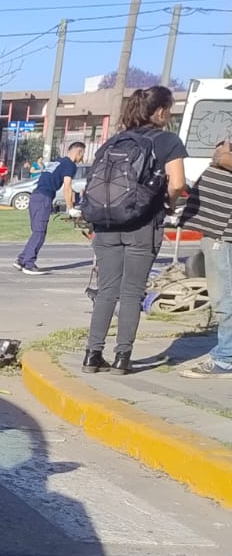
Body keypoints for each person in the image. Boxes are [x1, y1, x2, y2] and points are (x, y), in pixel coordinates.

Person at [83, 85, 189, 374]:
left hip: (106, 225)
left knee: (106, 291)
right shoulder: (168, 141)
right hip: (143, 225)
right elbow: (177, 183)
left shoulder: (114, 141)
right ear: (159, 111)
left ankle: (92, 355)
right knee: (131, 293)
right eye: (169, 108)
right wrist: (168, 202)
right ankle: (122, 358)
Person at [178, 138, 232, 378]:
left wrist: (221, 158)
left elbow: (222, 155)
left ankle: (226, 357)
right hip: (217, 228)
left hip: (224, 229)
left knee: (224, 294)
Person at [14, 141, 85, 274]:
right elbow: (67, 187)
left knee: (37, 231)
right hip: (43, 198)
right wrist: (70, 208)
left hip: (35, 197)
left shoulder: (57, 162)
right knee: (40, 232)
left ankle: (22, 259)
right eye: (82, 155)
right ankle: (28, 264)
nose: (82, 159)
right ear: (78, 152)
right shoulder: (70, 165)